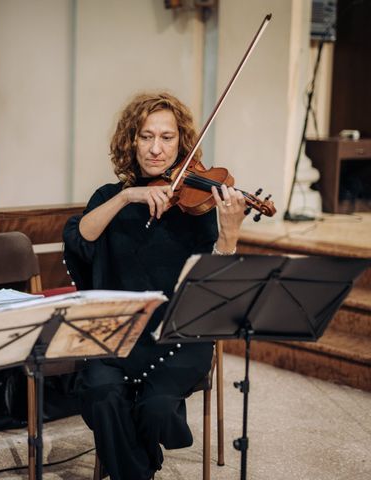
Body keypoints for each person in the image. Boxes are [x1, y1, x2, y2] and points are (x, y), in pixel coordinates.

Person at [63, 92, 247, 480]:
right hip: (115, 334)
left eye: (167, 138)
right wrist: (129, 195)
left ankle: (150, 438)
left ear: (182, 143)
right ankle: (143, 466)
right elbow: (80, 239)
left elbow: (212, 286)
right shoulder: (108, 198)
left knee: (157, 408)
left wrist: (228, 236)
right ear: (132, 140)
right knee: (100, 393)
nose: (156, 149)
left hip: (177, 337)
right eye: (147, 136)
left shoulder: (196, 206)